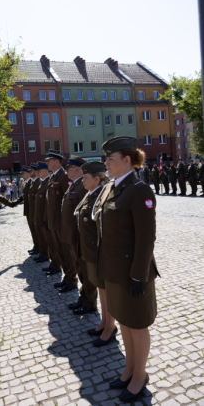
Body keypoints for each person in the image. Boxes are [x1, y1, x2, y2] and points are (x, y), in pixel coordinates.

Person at [93, 136, 160, 402]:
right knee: (124, 323)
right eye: (106, 159)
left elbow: (146, 238)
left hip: (133, 273)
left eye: (110, 159)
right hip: (114, 271)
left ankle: (140, 375)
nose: (106, 163)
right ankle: (129, 371)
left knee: (137, 325)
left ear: (127, 160)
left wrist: (137, 276)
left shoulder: (139, 190)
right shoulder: (111, 187)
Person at [72, 162, 109, 321]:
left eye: (85, 177)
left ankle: (107, 322)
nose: (82, 181)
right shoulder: (91, 193)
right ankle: (104, 321)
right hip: (86, 247)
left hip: (95, 249)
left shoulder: (101, 195)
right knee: (90, 280)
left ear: (96, 179)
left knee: (101, 287)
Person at [56, 156, 88, 299]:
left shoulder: (82, 187)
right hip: (70, 232)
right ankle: (84, 298)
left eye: (68, 168)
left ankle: (88, 301)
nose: (66, 171)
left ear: (77, 169)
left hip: (77, 234)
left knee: (83, 269)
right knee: (78, 266)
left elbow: (82, 213)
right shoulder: (74, 185)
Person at [43, 149, 69, 276]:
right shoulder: (53, 176)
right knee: (57, 248)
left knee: (64, 251)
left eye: (49, 161)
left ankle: (70, 278)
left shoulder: (64, 176)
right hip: (53, 220)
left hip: (60, 221)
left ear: (57, 162)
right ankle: (60, 270)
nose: (47, 163)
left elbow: (68, 200)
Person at [33, 162, 52, 264]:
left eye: (39, 171)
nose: (37, 173)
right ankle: (44, 253)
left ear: (45, 171)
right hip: (40, 216)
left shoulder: (48, 182)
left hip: (44, 216)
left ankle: (46, 254)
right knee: (42, 237)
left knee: (46, 238)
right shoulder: (42, 182)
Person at [28, 164, 41, 255]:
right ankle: (37, 247)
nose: (30, 173)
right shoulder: (34, 182)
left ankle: (41, 250)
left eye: (31, 171)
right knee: (35, 232)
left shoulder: (39, 182)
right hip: (32, 211)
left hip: (38, 212)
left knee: (39, 233)